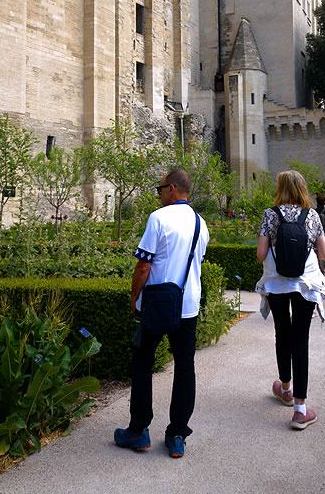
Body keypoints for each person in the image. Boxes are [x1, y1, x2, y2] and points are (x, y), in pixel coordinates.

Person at [114, 168, 209, 458]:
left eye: (159, 189)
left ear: (171, 189)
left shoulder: (159, 218)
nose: (158, 194)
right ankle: (177, 434)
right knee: (184, 367)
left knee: (143, 362)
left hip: (156, 304)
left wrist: (134, 297)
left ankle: (138, 430)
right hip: (188, 305)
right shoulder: (200, 223)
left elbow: (144, 265)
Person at [256, 170, 325, 430]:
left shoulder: (269, 215)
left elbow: (261, 253)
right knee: (301, 340)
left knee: (282, 333)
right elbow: (324, 253)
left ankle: (285, 389)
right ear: (302, 188)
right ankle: (300, 409)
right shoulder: (312, 216)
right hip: (305, 284)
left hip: (276, 284)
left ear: (280, 188)